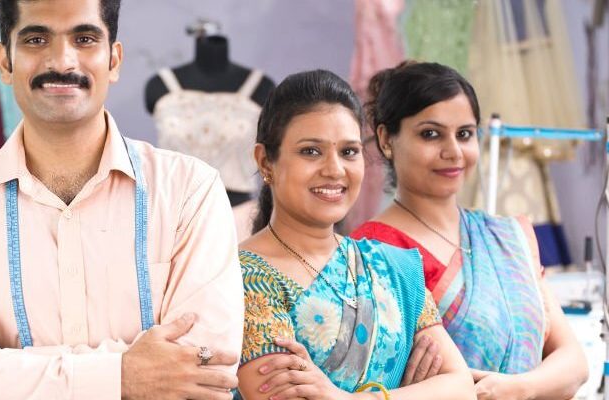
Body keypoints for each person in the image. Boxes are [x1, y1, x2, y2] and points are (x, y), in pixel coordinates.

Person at [0, 0, 243, 398]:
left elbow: (207, 366)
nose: (62, 61)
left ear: (113, 60)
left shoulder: (190, 190)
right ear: (5, 61)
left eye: (84, 39)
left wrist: (10, 372)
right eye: (36, 39)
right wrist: (122, 376)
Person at [351, 61, 587, 399]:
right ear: (386, 139)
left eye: (464, 134)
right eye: (430, 134)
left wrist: (519, 388)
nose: (454, 151)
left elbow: (575, 362)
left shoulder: (507, 237)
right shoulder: (372, 250)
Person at [237, 69, 474, 399]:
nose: (334, 169)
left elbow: (460, 388)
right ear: (266, 162)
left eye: (348, 152)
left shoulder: (393, 268)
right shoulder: (243, 276)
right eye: (311, 151)